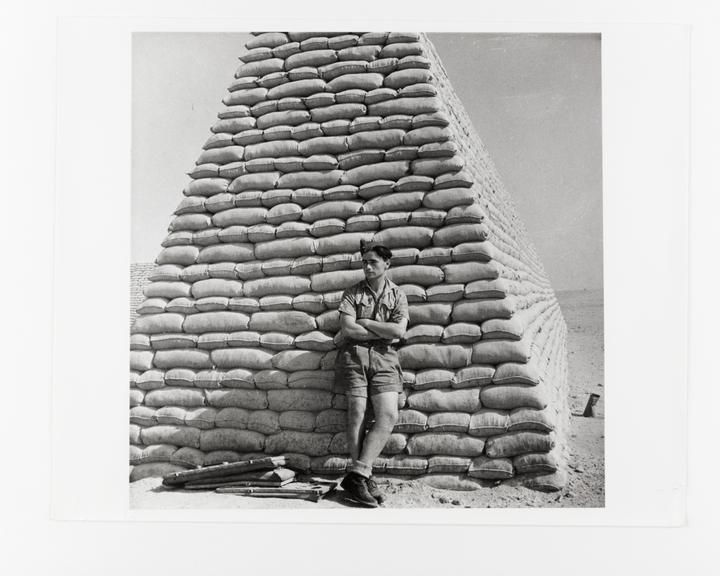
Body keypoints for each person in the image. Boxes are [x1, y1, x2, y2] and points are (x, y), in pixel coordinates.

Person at [334, 240, 409, 507]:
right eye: (364, 262)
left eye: (373, 262)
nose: (367, 266)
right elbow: (348, 330)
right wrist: (380, 328)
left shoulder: (398, 295)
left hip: (386, 358)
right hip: (354, 356)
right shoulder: (352, 293)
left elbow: (399, 332)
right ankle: (364, 477)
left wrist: (365, 321)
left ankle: (357, 473)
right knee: (357, 415)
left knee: (387, 415)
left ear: (387, 264)